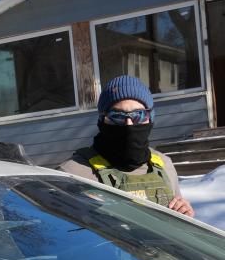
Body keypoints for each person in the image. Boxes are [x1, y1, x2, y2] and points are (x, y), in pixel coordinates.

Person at [58, 75, 195, 217]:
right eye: (117, 116)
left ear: (150, 118)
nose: (129, 124)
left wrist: (184, 215)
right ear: (102, 120)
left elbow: (175, 219)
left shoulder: (164, 165)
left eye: (139, 115)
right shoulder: (72, 173)